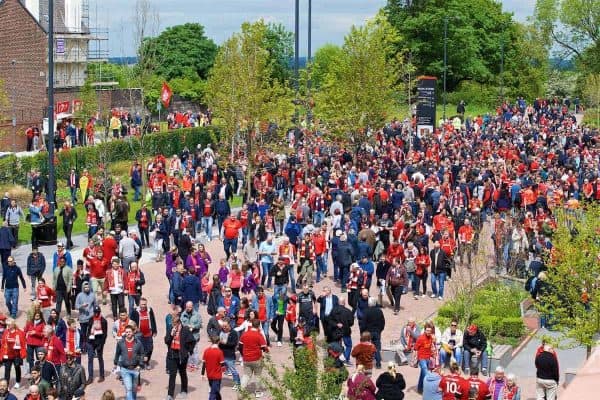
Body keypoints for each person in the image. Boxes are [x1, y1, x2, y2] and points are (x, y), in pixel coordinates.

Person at [165, 311, 195, 400]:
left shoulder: (185, 330)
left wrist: (188, 351)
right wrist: (171, 335)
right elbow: (166, 341)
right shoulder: (170, 329)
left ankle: (184, 390)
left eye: (174, 323)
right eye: (172, 323)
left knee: (182, 373)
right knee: (172, 375)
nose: (173, 325)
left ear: (179, 323)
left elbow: (192, 341)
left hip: (182, 356)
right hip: (172, 355)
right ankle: (170, 394)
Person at [239, 319, 269, 398]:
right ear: (259, 326)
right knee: (257, 375)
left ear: (251, 325)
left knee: (246, 375)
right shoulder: (259, 335)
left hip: (246, 358)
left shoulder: (245, 334)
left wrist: (243, 355)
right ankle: (258, 392)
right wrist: (266, 351)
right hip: (257, 358)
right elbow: (264, 347)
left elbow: (240, 346)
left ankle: (241, 390)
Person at [113, 325, 145, 400]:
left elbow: (142, 354)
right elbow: (117, 353)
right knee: (129, 388)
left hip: (135, 369)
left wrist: (140, 365)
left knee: (134, 389)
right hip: (125, 369)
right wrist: (115, 363)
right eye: (126, 332)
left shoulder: (138, 343)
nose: (128, 333)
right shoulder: (121, 343)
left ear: (133, 332)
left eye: (129, 332)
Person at [0, 318, 26, 390]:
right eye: (7, 324)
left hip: (16, 355)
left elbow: (23, 343)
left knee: (17, 368)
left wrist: (23, 353)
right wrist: (1, 354)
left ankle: (18, 381)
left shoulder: (20, 332)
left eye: (9, 324)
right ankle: (6, 385)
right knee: (7, 370)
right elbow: (2, 343)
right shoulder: (6, 332)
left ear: (13, 324)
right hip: (7, 354)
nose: (8, 326)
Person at [85, 306, 107, 383]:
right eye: (95, 312)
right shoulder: (91, 319)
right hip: (91, 342)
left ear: (99, 312)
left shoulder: (103, 321)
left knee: (100, 358)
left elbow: (104, 335)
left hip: (99, 342)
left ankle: (102, 376)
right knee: (90, 359)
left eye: (97, 312)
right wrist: (87, 340)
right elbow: (88, 329)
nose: (96, 313)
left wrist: (101, 344)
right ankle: (90, 377)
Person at [218, 317, 240, 389]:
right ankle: (216, 383)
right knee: (218, 370)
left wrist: (224, 343)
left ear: (229, 325)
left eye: (225, 326)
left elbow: (233, 344)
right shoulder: (221, 332)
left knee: (233, 370)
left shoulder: (233, 333)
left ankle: (237, 383)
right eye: (223, 326)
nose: (224, 328)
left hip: (229, 355)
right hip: (221, 355)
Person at [363, 297, 385, 369]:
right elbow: (383, 322)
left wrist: (363, 331)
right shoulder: (379, 311)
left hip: (368, 332)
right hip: (377, 332)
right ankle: (378, 363)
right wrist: (380, 330)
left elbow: (363, 323)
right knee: (377, 348)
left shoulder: (366, 311)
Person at [201, 335, 225, 400]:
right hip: (217, 375)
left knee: (215, 390)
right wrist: (224, 370)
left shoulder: (206, 350)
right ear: (218, 342)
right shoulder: (219, 352)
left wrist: (202, 374)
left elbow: (204, 363)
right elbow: (222, 365)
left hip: (209, 375)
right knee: (213, 393)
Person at [415, 323, 436, 394]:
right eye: (427, 330)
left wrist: (433, 354)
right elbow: (415, 348)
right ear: (424, 330)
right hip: (421, 358)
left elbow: (432, 347)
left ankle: (420, 389)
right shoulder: (421, 338)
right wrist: (414, 359)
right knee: (426, 372)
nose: (428, 332)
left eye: (430, 331)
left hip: (428, 358)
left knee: (422, 374)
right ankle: (431, 387)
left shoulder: (431, 338)